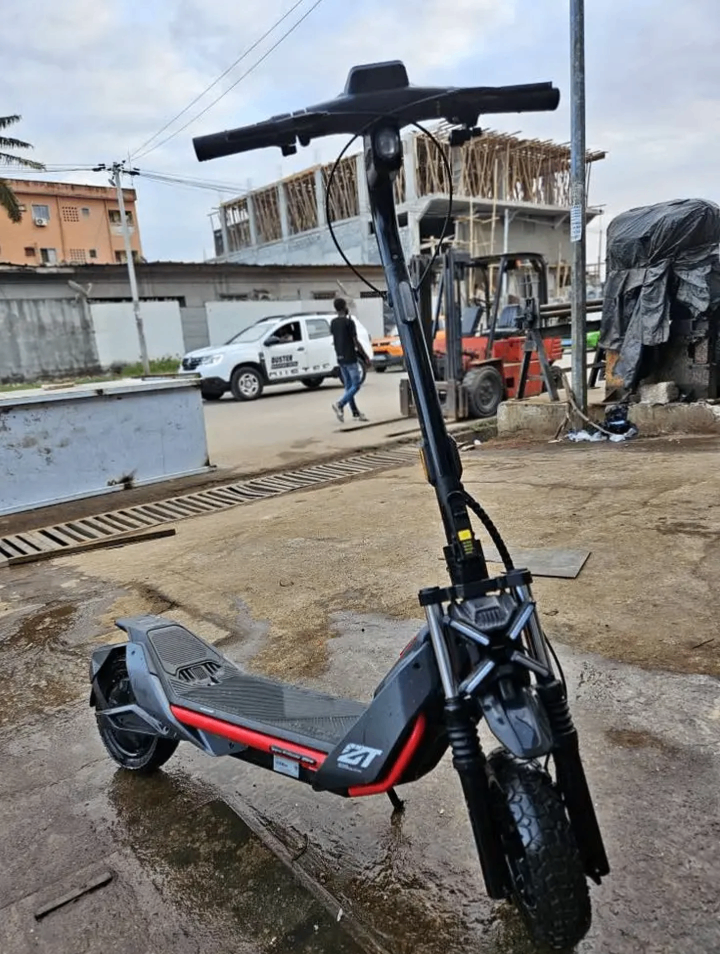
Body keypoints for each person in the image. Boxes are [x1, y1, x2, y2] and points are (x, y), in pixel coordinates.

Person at [330, 298, 370, 423]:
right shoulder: (349, 323)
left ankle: (355, 412)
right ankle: (340, 404)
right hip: (350, 357)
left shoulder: (333, 323)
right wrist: (365, 356)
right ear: (344, 307)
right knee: (356, 385)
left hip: (340, 357)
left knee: (348, 387)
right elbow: (355, 341)